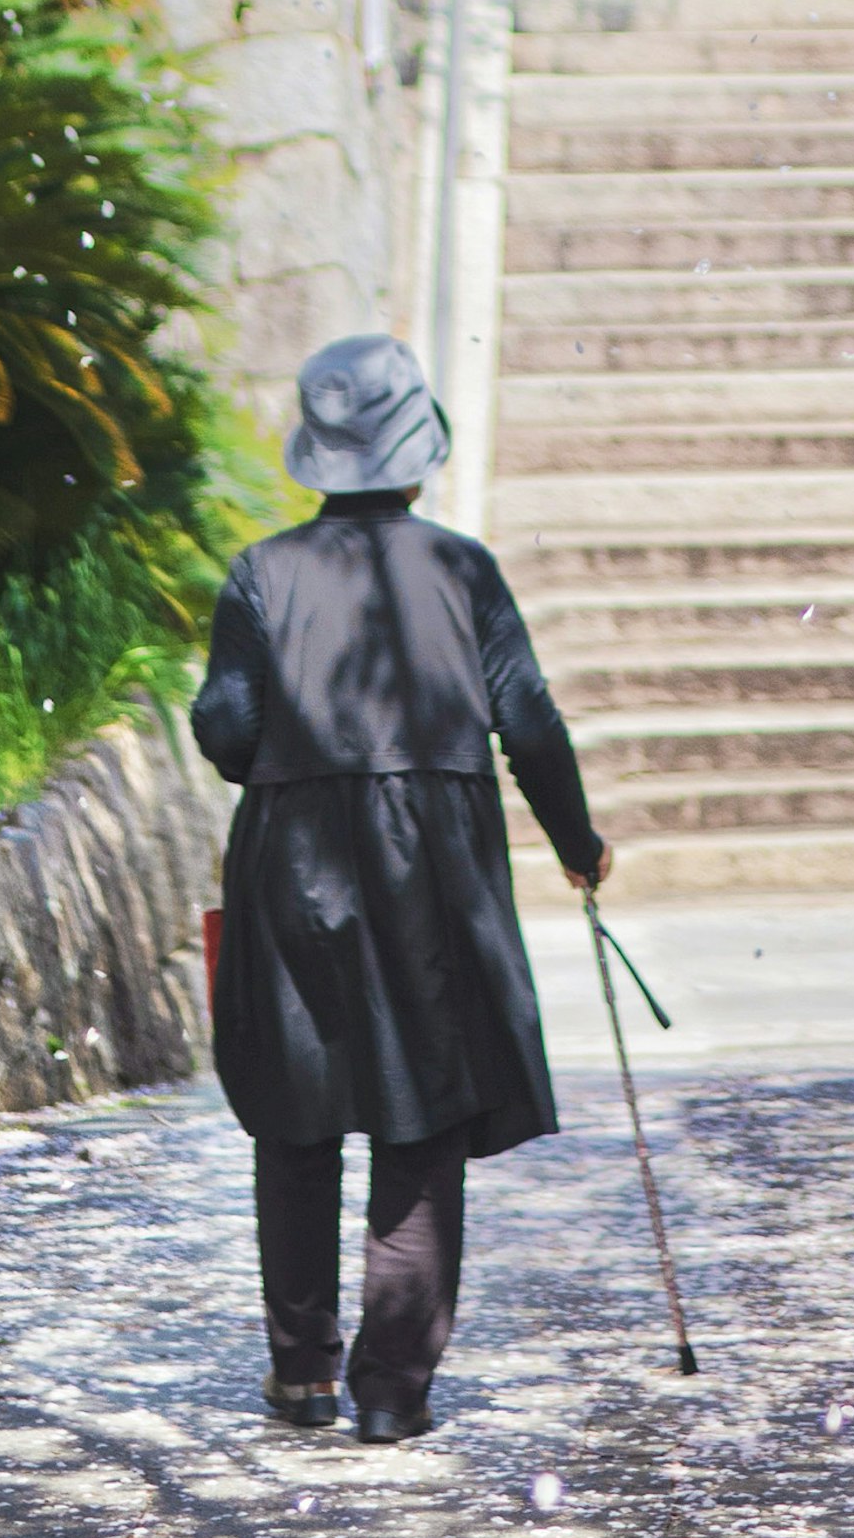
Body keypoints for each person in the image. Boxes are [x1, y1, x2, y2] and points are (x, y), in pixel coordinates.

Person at [192, 331, 610, 1443]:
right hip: (435, 862)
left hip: (292, 859)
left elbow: (226, 732)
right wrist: (578, 842)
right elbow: (529, 719)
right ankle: (390, 1393)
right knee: (419, 1114)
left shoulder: (261, 572)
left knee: (296, 1115)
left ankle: (301, 1376)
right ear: (417, 452)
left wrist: (303, 745)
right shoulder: (463, 568)